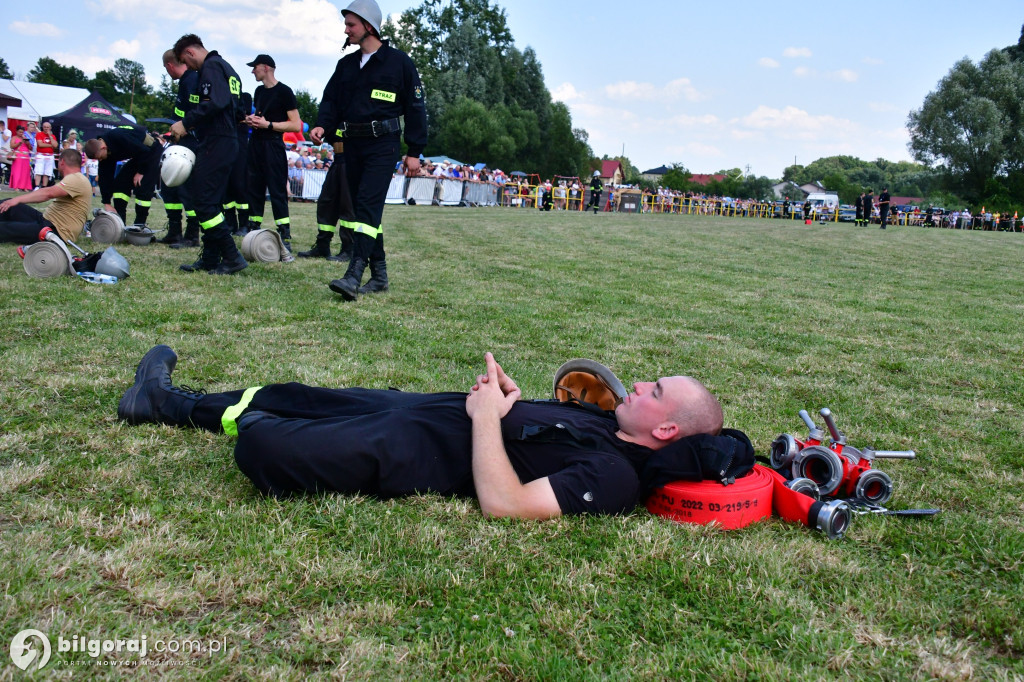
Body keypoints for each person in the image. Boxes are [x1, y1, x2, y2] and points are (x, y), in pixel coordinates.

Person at [118, 346, 733, 518]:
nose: (641, 385)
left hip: (416, 454)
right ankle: (166, 402)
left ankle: (241, 422)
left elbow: (506, 502)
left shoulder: (616, 476)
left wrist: (488, 419)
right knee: (294, 395)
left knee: (265, 444)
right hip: (426, 408)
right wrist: (509, 400)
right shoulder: (603, 421)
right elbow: (534, 429)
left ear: (670, 428)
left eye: (654, 391)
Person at [311, 0, 428, 301]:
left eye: (351, 24)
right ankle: (379, 276)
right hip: (350, 146)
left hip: (383, 145)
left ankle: (354, 274)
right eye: (346, 24)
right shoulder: (345, 65)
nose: (346, 29)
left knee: (366, 204)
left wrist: (414, 150)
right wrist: (323, 125)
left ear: (369, 26)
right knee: (366, 210)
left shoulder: (399, 62)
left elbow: (416, 108)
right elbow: (330, 102)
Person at [169, 34, 249, 275]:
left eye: (186, 60)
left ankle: (232, 256)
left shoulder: (211, 67)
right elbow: (237, 107)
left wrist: (186, 122)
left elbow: (216, 102)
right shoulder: (228, 68)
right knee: (213, 201)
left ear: (191, 53)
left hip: (216, 141)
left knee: (203, 201)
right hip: (227, 140)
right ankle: (211, 257)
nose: (189, 67)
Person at [243, 54, 301, 244]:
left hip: (273, 143)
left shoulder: (284, 91)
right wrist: (250, 120)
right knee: (254, 187)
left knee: (277, 189)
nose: (252, 70)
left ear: (266, 67)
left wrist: (268, 125)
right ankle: (253, 228)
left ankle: (284, 232)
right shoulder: (258, 91)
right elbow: (260, 117)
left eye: (255, 67)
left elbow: (295, 125)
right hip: (256, 144)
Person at [0, 148, 92, 244]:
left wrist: (18, 199)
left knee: (5, 228)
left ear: (62, 162)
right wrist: (13, 201)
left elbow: (48, 193)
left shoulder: (76, 178)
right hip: (47, 221)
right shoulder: (76, 178)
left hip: (56, 232)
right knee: (7, 205)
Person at [159, 49, 202, 247]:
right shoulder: (186, 81)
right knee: (170, 186)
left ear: (169, 66)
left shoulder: (191, 79)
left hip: (192, 143)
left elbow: (196, 113)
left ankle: (192, 234)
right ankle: (175, 230)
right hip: (181, 141)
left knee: (187, 188)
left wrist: (185, 128)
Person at [83, 126, 162, 228]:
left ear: (103, 148)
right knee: (120, 185)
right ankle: (120, 223)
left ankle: (139, 225)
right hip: (139, 155)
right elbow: (104, 176)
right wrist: (106, 202)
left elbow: (144, 151)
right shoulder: (104, 151)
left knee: (143, 187)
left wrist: (140, 172)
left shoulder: (118, 137)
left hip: (152, 151)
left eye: (100, 158)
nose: (101, 160)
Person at [33, 121, 59, 189]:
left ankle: (44, 187)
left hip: (50, 156)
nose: (46, 128)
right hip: (41, 155)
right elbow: (40, 144)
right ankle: (37, 186)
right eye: (45, 127)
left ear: (50, 128)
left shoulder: (53, 136)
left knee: (47, 172)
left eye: (48, 127)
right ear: (42, 127)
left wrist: (50, 136)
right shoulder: (39, 134)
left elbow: (55, 145)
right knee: (39, 171)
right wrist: (51, 145)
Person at [7, 125, 34, 191]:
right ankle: (16, 186)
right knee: (17, 172)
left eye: (22, 132)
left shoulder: (25, 138)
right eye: (19, 132)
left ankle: (25, 187)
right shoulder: (14, 137)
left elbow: (31, 148)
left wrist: (27, 143)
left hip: (26, 156)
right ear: (16, 131)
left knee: (25, 172)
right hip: (18, 156)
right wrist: (19, 143)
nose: (21, 134)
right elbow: (12, 146)